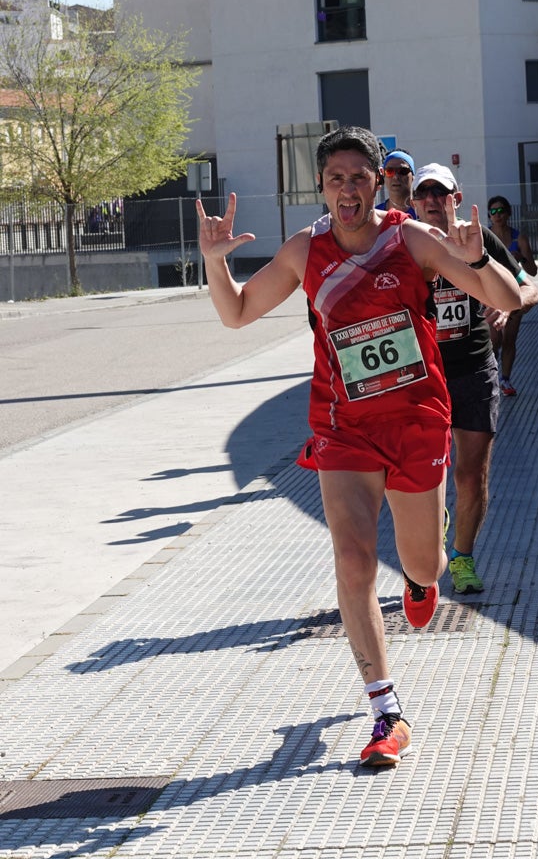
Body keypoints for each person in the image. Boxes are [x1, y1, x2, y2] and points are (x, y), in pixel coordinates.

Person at [197, 126, 521, 769]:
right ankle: (385, 710)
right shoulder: (304, 250)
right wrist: (214, 261)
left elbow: (506, 299)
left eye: (359, 177)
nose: (347, 189)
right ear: (320, 186)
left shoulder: (412, 239)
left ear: (380, 182)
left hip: (417, 420)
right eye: (335, 178)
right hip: (342, 426)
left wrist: (478, 260)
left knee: (421, 565)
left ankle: (426, 579)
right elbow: (236, 313)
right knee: (353, 560)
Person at [411, 164, 538, 595]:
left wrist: (507, 305)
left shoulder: (478, 239)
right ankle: (424, 557)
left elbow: (529, 288)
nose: (431, 199)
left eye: (440, 192)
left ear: (456, 198)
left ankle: (462, 558)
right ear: (412, 202)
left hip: (474, 370)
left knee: (471, 475)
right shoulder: (402, 245)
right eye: (422, 192)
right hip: (423, 377)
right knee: (423, 479)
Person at [487, 194, 538, 396]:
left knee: (509, 340)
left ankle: (505, 380)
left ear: (508, 213)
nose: (497, 215)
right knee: (494, 341)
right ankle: (492, 377)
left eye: (501, 211)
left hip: (515, 293)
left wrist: (521, 260)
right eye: (493, 211)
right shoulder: (484, 237)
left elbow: (532, 271)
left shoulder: (519, 238)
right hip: (490, 294)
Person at [379, 149, 417, 218]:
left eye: (403, 171)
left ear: (413, 177)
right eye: (389, 171)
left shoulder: (423, 213)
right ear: (384, 176)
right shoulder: (375, 215)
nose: (396, 177)